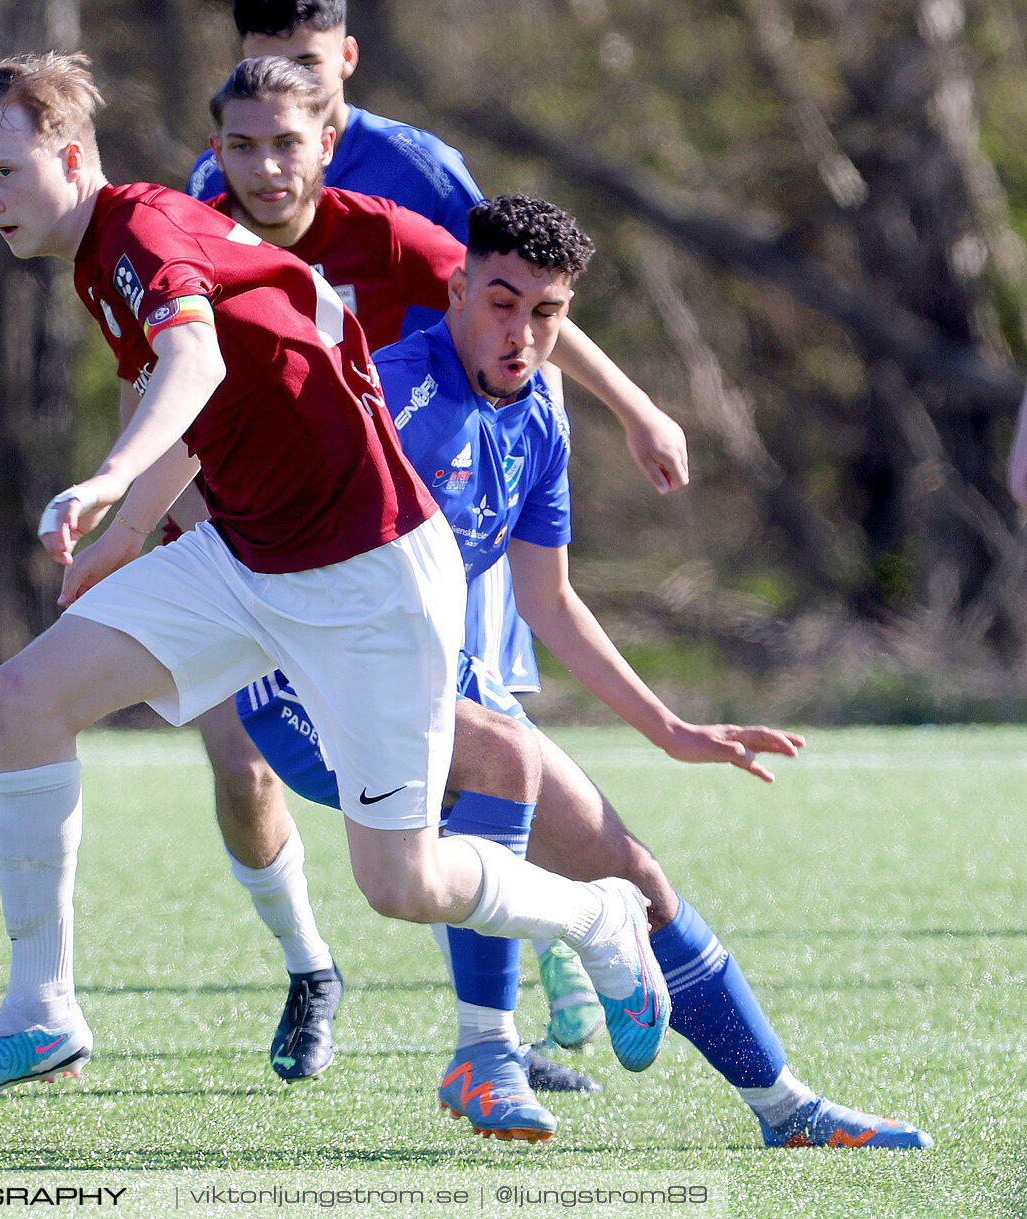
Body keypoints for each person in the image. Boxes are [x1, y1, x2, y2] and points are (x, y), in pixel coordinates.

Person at [0, 51, 672, 1111]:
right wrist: (127, 536)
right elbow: (211, 402)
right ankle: (43, 1012)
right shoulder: (105, 255)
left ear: (70, 157)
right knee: (24, 699)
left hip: (373, 576)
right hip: (249, 555)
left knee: (402, 885)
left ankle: (599, 919)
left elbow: (194, 370)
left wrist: (114, 479)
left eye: (3, 171)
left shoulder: (141, 231)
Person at [234, 190, 932, 1148]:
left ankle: (788, 1109)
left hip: (439, 688)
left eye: (547, 313)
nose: (521, 332)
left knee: (637, 875)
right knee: (498, 768)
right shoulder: (394, 392)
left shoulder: (541, 421)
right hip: (307, 689)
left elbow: (549, 601)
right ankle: (486, 1055)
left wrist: (670, 727)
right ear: (456, 286)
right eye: (501, 301)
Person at [185, 0, 689, 1078]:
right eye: (260, 80)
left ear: (346, 72)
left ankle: (530, 977)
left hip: (432, 512)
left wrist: (632, 404)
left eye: (307, 74)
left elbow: (523, 291)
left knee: (489, 769)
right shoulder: (215, 184)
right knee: (241, 761)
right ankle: (312, 971)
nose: (280, 120)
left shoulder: (409, 174)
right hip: (279, 523)